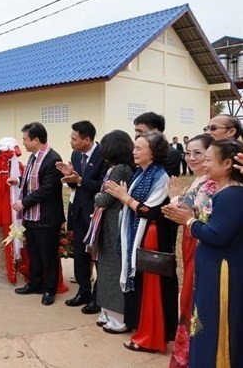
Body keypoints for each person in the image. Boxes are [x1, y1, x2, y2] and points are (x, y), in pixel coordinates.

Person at [163, 139, 243, 367]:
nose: (203, 164)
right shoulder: (223, 192)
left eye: (208, 159)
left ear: (227, 163)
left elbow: (217, 235)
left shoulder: (233, 195)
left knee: (216, 323)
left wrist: (188, 221)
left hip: (222, 272)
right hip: (212, 268)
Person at [104, 131, 178, 353]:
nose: (134, 152)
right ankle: (144, 332)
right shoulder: (141, 173)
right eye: (134, 148)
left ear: (153, 152)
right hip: (141, 236)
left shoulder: (160, 177)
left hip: (151, 237)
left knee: (152, 289)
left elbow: (150, 211)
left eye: (139, 148)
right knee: (143, 287)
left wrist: (124, 197)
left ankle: (151, 337)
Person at [163, 134, 215, 367]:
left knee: (195, 298)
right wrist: (177, 200)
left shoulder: (213, 183)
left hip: (202, 245)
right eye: (188, 153)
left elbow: (200, 217)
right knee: (188, 297)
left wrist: (176, 200)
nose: (191, 158)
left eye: (198, 153)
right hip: (189, 242)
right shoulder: (199, 180)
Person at [8, 122, 65, 306]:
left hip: (47, 217)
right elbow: (30, 179)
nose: (23, 143)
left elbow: (47, 189)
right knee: (34, 253)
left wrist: (23, 202)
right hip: (32, 216)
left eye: (25, 139)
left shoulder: (53, 159)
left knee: (48, 255)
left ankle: (49, 289)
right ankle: (35, 283)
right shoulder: (34, 157)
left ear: (36, 139)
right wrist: (17, 180)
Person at [55, 120, 105, 314]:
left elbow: (103, 185)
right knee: (80, 255)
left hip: (96, 212)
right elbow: (77, 185)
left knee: (98, 256)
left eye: (74, 139)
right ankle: (83, 291)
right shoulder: (76, 155)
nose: (71, 142)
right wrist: (71, 179)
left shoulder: (103, 156)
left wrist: (80, 180)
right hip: (78, 211)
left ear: (87, 139)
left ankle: (97, 297)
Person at [89, 130, 135, 333]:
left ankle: (118, 315)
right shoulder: (117, 168)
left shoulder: (119, 170)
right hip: (109, 221)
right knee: (106, 267)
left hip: (113, 223)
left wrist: (97, 198)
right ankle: (108, 311)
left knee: (112, 268)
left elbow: (104, 199)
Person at [133, 112, 180, 177]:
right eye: (136, 131)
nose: (136, 134)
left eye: (140, 131)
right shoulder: (136, 151)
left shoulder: (171, 154)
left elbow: (163, 181)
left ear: (155, 131)